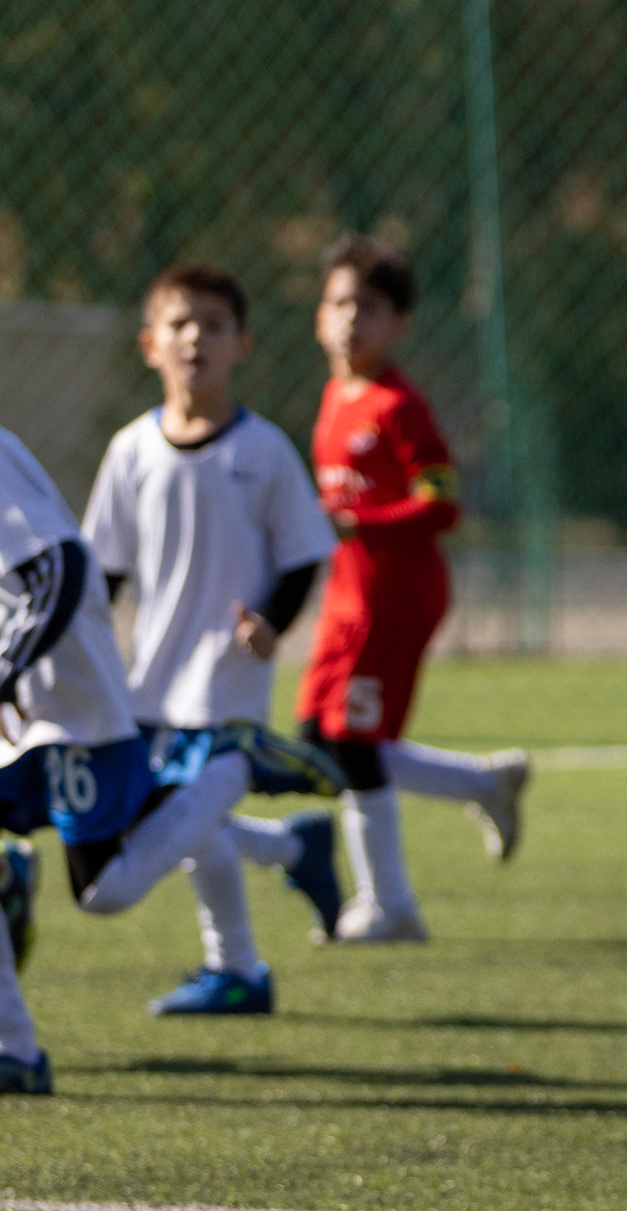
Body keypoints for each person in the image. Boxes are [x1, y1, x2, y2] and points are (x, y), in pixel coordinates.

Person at [1, 427, 344, 1090]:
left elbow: (57, 572)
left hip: (65, 696)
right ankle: (14, 1047)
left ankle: (232, 762)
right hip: (27, 695)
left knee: (105, 890)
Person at [83, 265, 346, 1014]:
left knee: (174, 826)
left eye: (215, 324)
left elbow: (303, 554)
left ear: (243, 345)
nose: (196, 337)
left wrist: (272, 624)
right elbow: (102, 574)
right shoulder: (132, 450)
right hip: (151, 683)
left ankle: (237, 966)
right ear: (149, 345)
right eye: (179, 323)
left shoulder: (262, 451)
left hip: (227, 682)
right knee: (185, 823)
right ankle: (293, 851)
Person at [294, 234, 529, 943]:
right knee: (317, 741)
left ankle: (391, 906)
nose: (348, 320)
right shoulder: (337, 395)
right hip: (348, 597)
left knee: (355, 742)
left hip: (394, 595)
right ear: (317, 315)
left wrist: (354, 520)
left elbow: (442, 505)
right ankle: (483, 783)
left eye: (367, 307)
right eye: (337, 303)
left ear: (400, 324)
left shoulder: (400, 407)